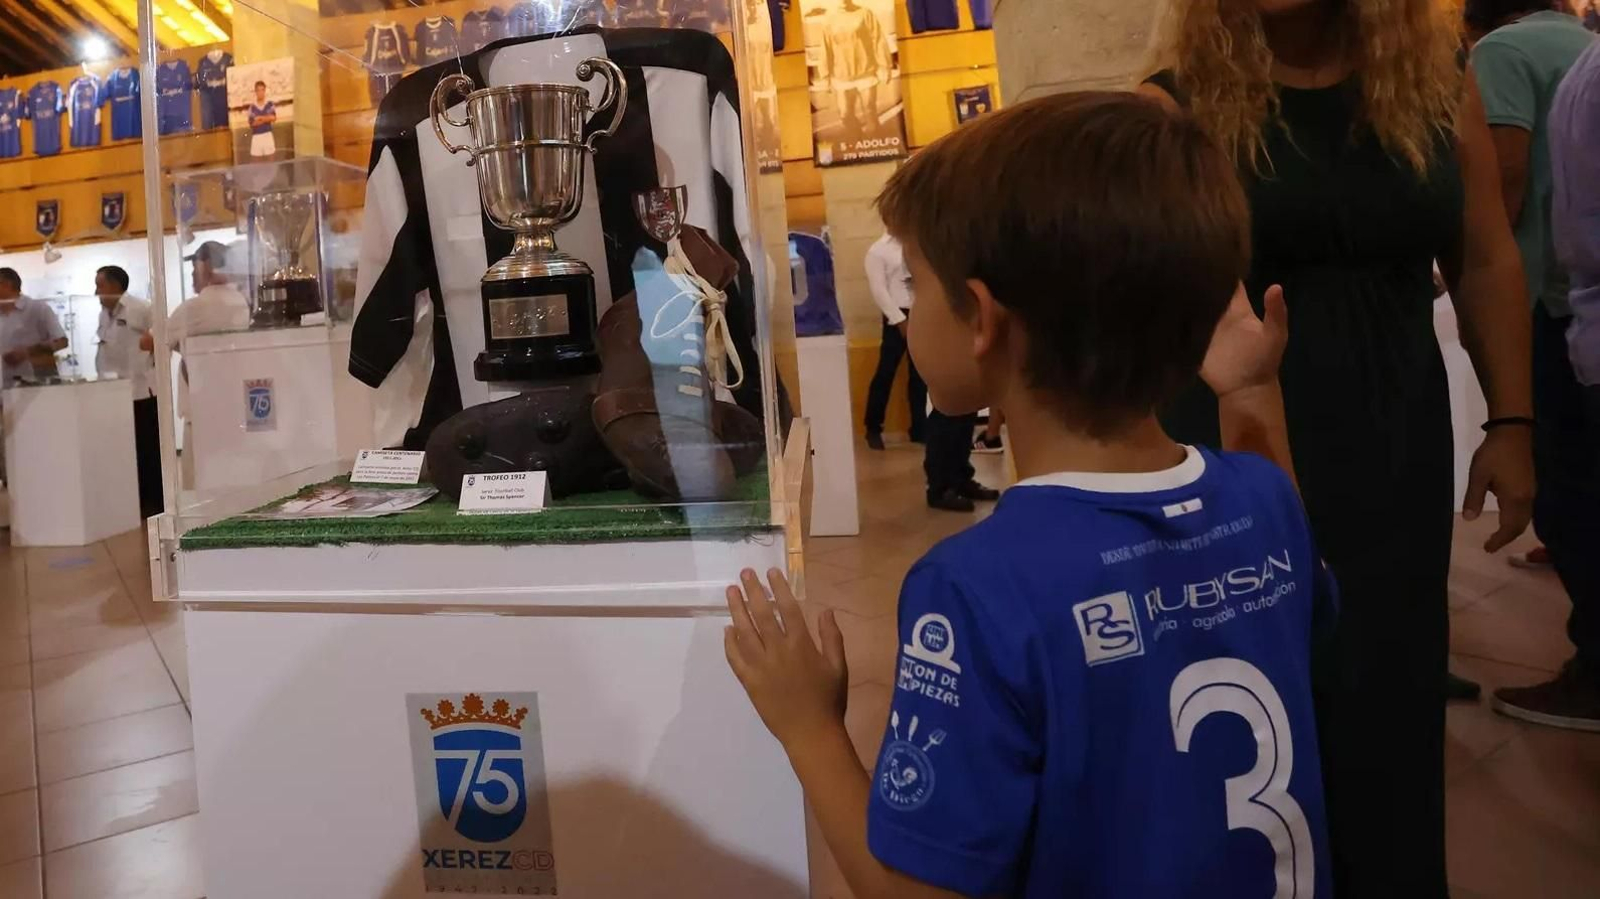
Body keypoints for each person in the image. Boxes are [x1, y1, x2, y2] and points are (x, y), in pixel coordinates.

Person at [723, 92, 1335, 898]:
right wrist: (1252, 394)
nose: (906, 312)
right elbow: (1298, 601)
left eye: (916, 279)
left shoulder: (976, 589)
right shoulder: (1264, 499)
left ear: (981, 317)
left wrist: (808, 726)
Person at [1139, 0, 1537, 893]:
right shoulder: (1173, 107)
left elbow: (1484, 256)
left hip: (1394, 442)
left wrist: (1512, 421)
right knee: (1262, 707)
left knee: (1390, 698)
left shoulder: (1435, 87)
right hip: (1234, 451)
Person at [1494, 37, 1600, 729]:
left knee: (1572, 490)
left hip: (1557, 301)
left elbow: (1503, 185)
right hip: (1571, 302)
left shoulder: (1502, 55)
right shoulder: (1579, 50)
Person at [93, 265, 163, 518]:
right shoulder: (104, 314)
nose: (96, 291)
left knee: (148, 451)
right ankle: (133, 501)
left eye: (100, 285)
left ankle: (155, 503)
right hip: (114, 394)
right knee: (125, 451)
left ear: (114, 285)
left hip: (141, 392)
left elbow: (159, 338)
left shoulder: (140, 308)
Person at [862, 232, 925, 449]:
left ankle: (919, 427)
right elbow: (879, 290)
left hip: (920, 312)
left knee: (920, 375)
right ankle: (873, 427)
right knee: (886, 372)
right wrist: (899, 320)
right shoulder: (878, 250)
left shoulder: (916, 243)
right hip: (896, 317)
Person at [0, 268, 68, 387]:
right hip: (6, 386)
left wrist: (26, 352)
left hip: (38, 384)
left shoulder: (37, 308)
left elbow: (61, 341)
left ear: (6, 284)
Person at [248, 80, 277, 159]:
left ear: (265, 91)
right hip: (256, 137)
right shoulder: (252, 107)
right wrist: (267, 119)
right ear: (256, 92)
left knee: (271, 161)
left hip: (268, 135)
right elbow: (252, 124)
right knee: (256, 163)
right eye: (258, 90)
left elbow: (273, 118)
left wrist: (260, 118)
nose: (260, 92)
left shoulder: (269, 104)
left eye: (262, 90)